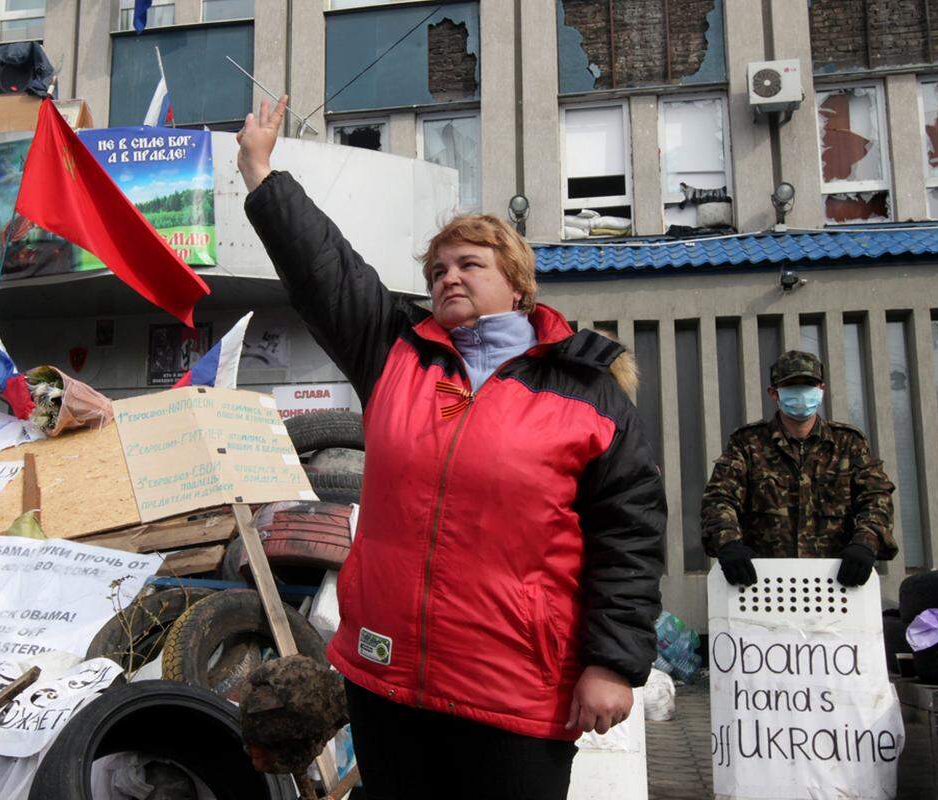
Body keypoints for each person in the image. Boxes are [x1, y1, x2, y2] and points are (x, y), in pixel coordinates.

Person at [237, 97, 665, 799]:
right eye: (436, 272)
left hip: (515, 693)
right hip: (389, 679)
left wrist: (612, 664)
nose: (448, 279)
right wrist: (261, 172)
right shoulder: (397, 356)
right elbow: (325, 270)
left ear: (518, 282)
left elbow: (631, 537)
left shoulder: (586, 390)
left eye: (470, 264)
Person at [701, 350, 897, 588]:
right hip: (763, 583)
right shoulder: (748, 443)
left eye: (809, 384)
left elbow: (876, 497)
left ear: (821, 389)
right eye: (791, 385)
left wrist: (866, 542)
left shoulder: (848, 443)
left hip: (835, 582)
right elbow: (720, 498)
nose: (802, 392)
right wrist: (729, 542)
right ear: (773, 393)